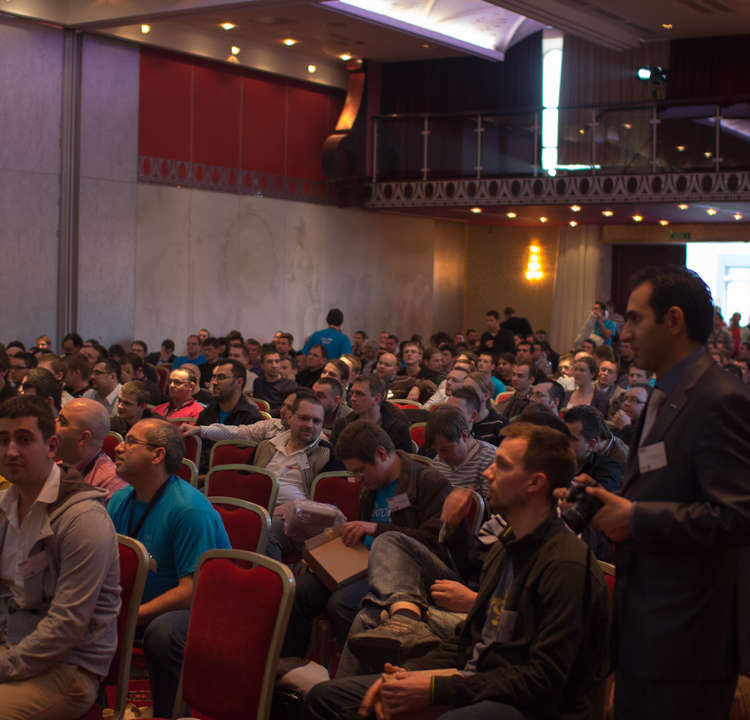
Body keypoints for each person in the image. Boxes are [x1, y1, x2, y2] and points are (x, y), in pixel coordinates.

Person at [306, 422, 609, 720]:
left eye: (502, 466)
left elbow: (544, 681)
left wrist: (437, 689)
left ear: (535, 483)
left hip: (528, 704)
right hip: (476, 679)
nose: (488, 472)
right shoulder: (506, 547)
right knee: (328, 697)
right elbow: (468, 637)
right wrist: (408, 674)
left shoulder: (565, 565)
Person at [579, 265, 750, 719]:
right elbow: (666, 484)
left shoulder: (719, 398)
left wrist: (635, 519)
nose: (624, 332)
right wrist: (609, 501)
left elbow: (738, 516)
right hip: (648, 622)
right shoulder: (666, 391)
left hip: (689, 636)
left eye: (636, 319)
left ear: (674, 320)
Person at [281, 420, 450, 659]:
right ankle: (291, 665)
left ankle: (355, 674)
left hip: (400, 574)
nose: (357, 478)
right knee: (299, 590)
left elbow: (435, 544)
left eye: (360, 470)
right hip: (361, 563)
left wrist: (376, 528)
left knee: (342, 603)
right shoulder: (371, 484)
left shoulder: (428, 483)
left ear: (381, 454)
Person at [0, 395, 120, 719]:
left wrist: (4, 665)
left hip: (69, 667)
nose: (11, 451)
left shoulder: (83, 519)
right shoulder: (5, 505)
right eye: (3, 440)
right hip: (13, 642)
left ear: (51, 446)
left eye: (24, 440)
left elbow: (66, 626)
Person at [108, 418, 230, 717]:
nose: (119, 448)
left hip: (201, 611)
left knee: (162, 633)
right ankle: (96, 705)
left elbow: (192, 592)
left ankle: (169, 713)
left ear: (157, 455)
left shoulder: (189, 510)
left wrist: (130, 616)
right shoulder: (120, 499)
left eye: (131, 442)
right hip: (138, 607)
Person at [251, 394, 342, 559]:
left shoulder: (328, 455)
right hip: (258, 509)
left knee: (266, 530)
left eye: (316, 421)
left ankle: (270, 575)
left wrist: (297, 506)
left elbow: (331, 506)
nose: (309, 425)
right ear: (290, 417)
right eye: (304, 418)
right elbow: (243, 483)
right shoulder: (265, 446)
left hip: (298, 520)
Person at [54, 398, 126, 500]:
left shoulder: (111, 484)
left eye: (61, 421)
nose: (53, 423)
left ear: (83, 438)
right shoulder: (57, 464)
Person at [330, 374, 412, 454]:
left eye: (359, 394)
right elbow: (334, 458)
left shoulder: (398, 430)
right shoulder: (341, 425)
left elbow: (401, 461)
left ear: (376, 399)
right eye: (352, 393)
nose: (352, 398)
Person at [252, 347, 297, 415]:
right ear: (262, 365)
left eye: (277, 361)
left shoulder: (290, 385)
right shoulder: (258, 382)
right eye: (270, 362)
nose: (274, 365)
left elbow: (289, 408)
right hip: (260, 417)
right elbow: (256, 404)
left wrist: (267, 414)